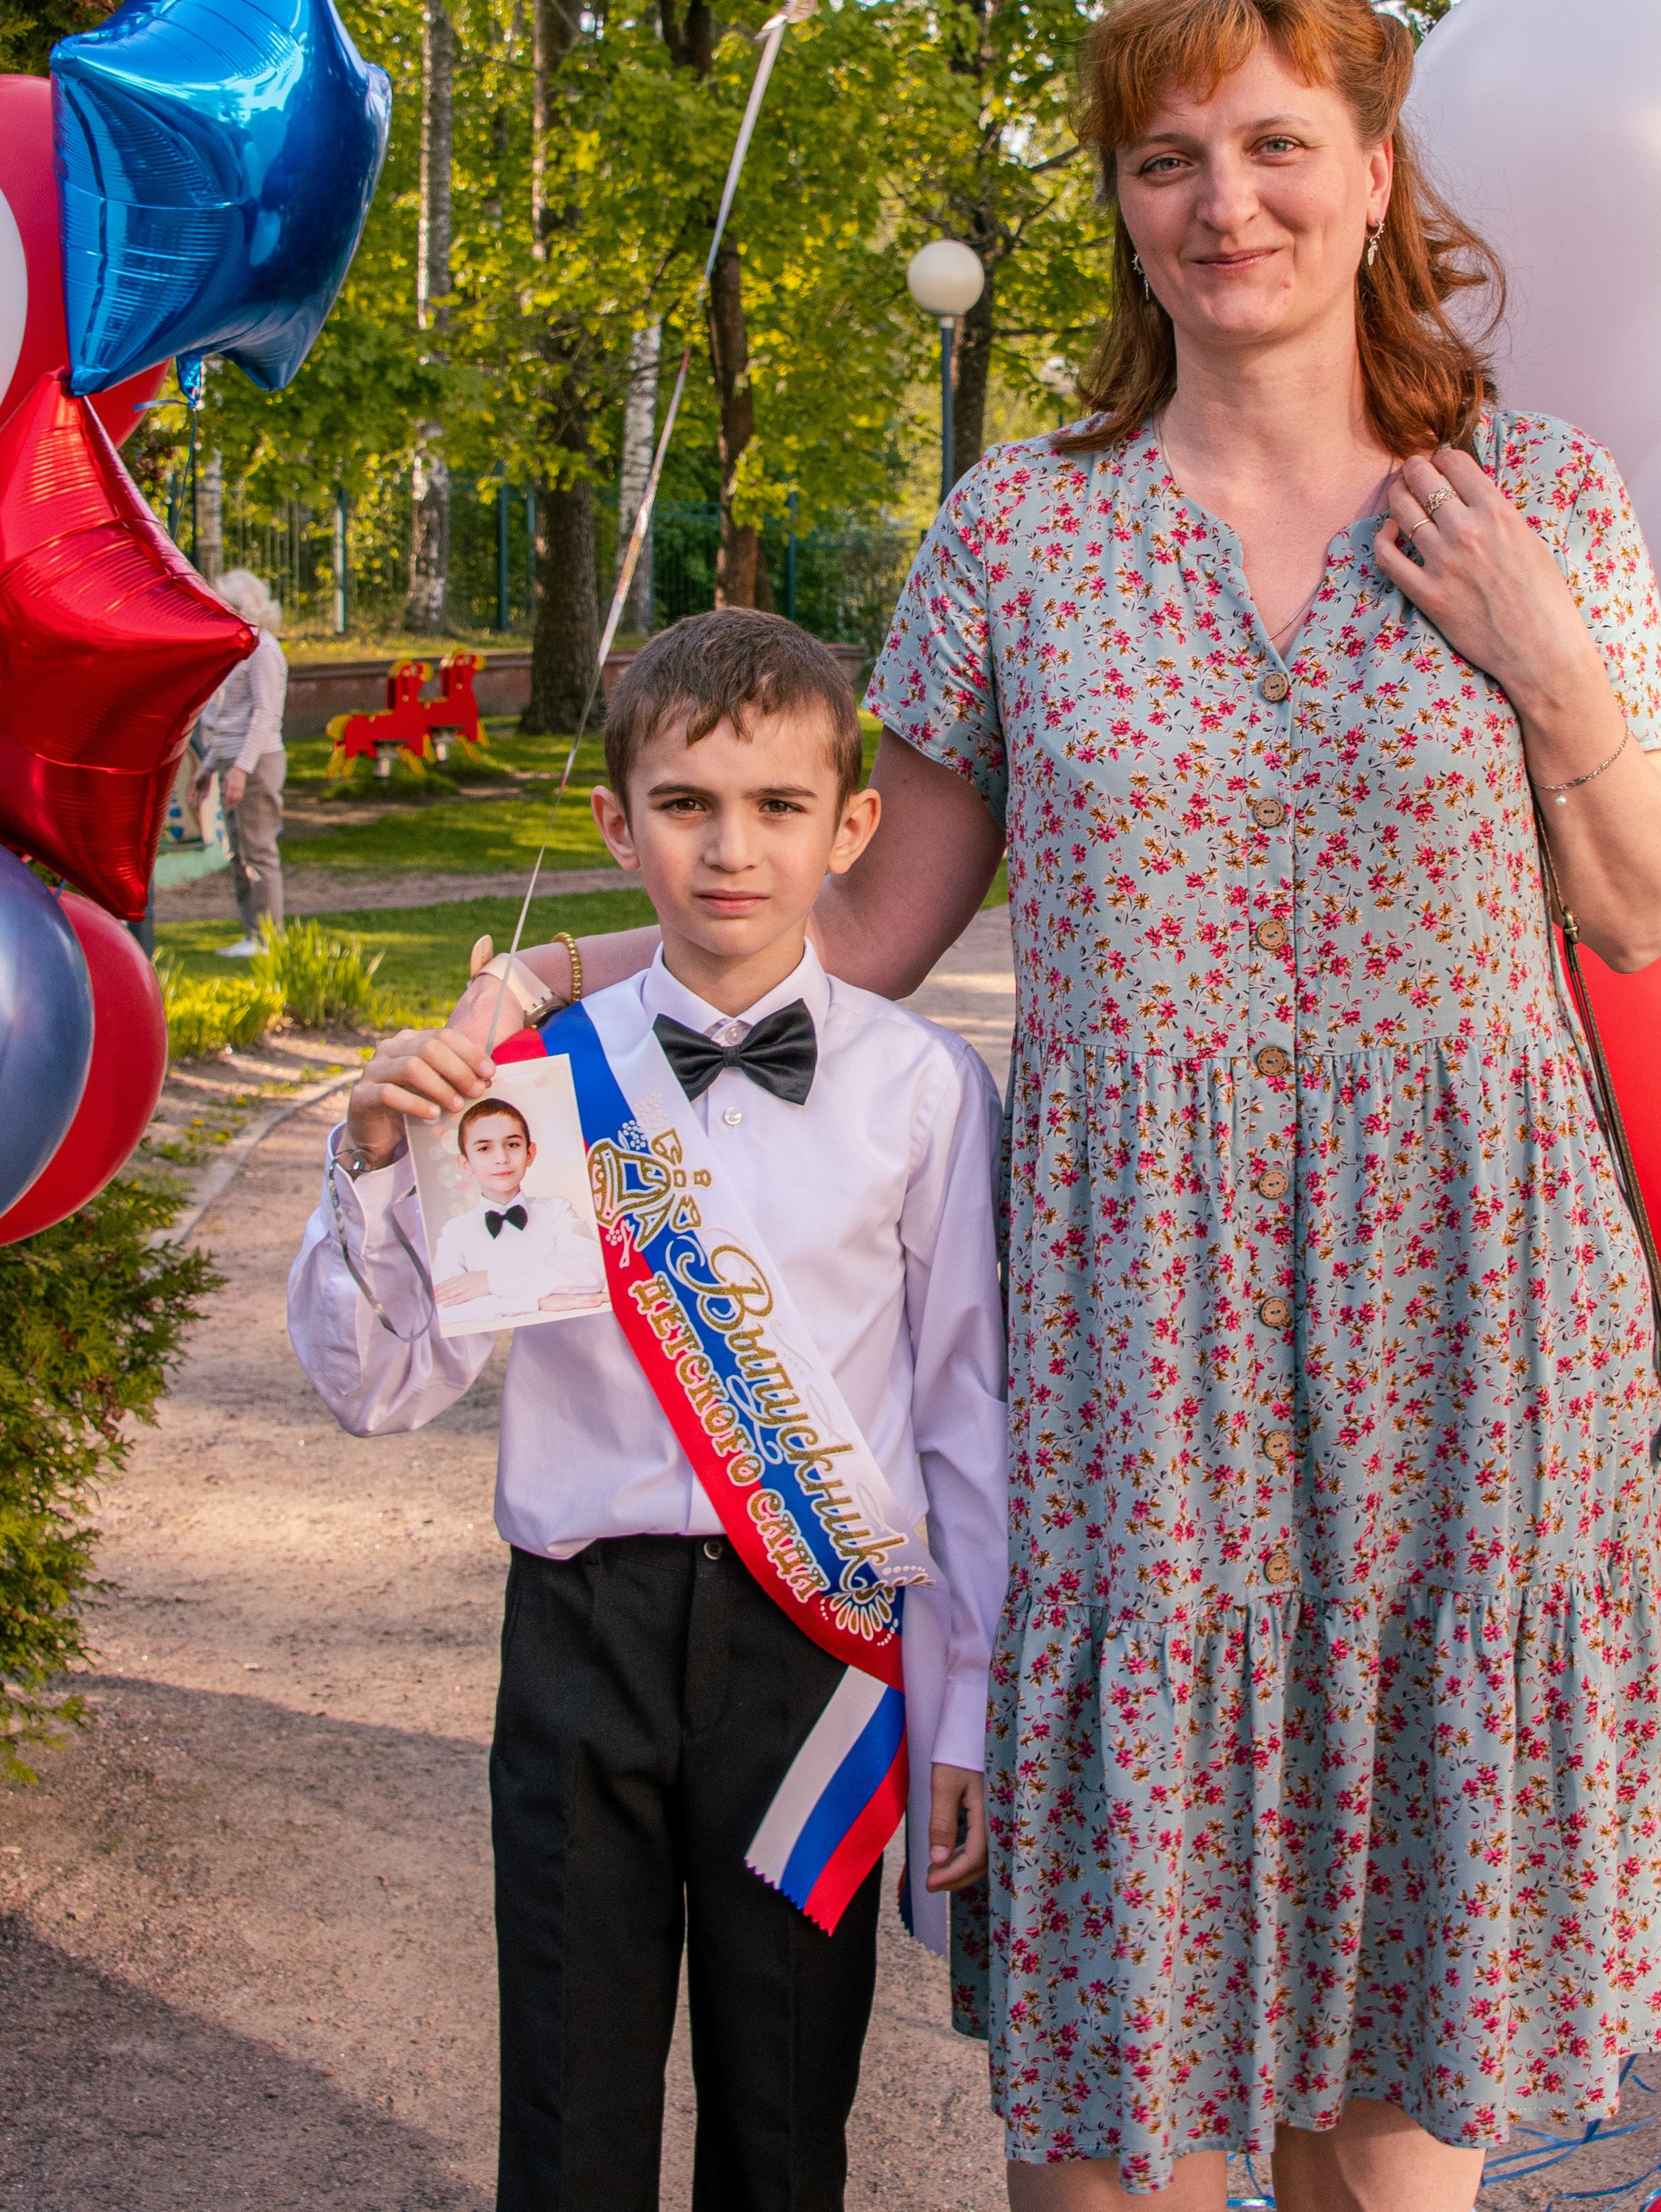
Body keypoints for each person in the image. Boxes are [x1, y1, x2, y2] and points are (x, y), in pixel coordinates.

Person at [491, 0, 1661, 2209]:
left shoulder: (1535, 491)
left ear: (1371, 178)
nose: (1221, 199)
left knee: (1393, 2096)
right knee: (1126, 2090)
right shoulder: (1020, 534)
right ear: (1126, 207)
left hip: (1465, 1313)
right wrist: (539, 985)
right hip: (1140, 1332)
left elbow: (1641, 909)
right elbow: (853, 938)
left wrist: (1549, 659)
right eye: (1168, 160)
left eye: (1271, 147)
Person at [289, 609, 1007, 2212]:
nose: (729, 848)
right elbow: (388, 1388)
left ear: (851, 827)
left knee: (781, 2131)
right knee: (568, 2122)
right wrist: (371, 1170)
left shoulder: (923, 1091)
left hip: (816, 1655)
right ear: (618, 825)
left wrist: (962, 1714)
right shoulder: (538, 1087)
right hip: (581, 1646)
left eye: (774, 806)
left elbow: (966, 1428)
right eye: (685, 804)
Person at [428, 1094, 606, 1319]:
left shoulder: (557, 1211)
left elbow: (591, 1272)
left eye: (512, 1145)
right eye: (484, 1149)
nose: (501, 1158)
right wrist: (537, 1303)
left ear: (530, 1154)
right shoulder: (456, 1232)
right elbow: (448, 1310)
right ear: (465, 1163)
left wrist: (490, 1281)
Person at [194, 565, 289, 956]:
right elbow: (228, 719)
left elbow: (265, 715)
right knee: (239, 852)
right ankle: (253, 933)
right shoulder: (243, 649)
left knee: (258, 850)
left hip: (256, 761)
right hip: (234, 759)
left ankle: (268, 939)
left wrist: (240, 769)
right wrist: (207, 768)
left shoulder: (264, 652)